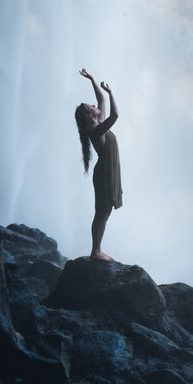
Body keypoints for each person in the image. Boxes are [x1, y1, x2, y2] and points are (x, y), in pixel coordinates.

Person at [75, 67, 121, 262]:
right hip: (104, 174)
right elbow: (115, 115)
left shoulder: (97, 125)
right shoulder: (96, 131)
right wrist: (112, 93)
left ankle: (97, 249)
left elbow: (101, 100)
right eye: (91, 107)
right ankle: (96, 251)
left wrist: (92, 79)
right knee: (102, 212)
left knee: (104, 212)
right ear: (89, 116)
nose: (96, 106)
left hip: (108, 171)